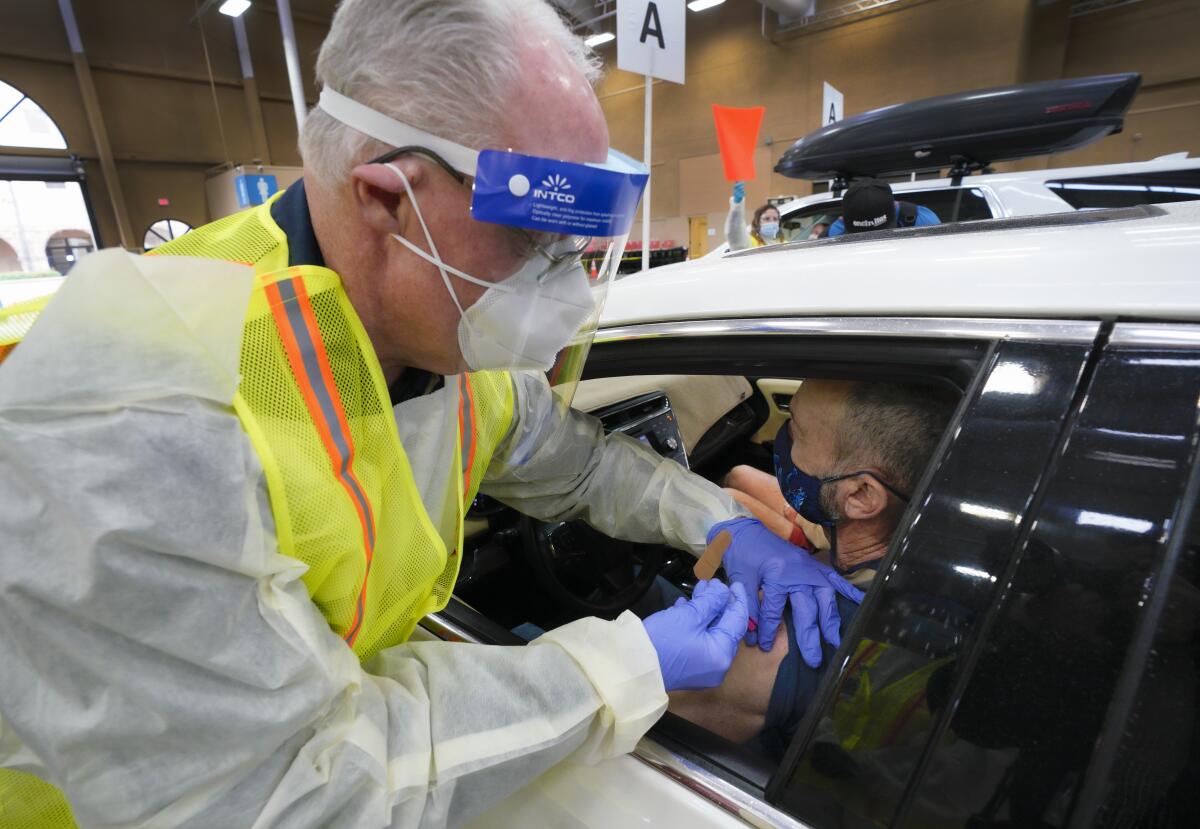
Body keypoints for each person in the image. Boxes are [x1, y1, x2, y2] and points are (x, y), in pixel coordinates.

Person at [0, 2, 858, 827]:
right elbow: (285, 791)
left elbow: (580, 463)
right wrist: (626, 665)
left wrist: (720, 521)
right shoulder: (144, 406)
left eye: (578, 251)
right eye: (535, 244)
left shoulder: (450, 335)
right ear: (385, 199)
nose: (562, 289)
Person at [671, 380, 956, 757]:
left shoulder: (774, 653)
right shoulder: (912, 549)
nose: (784, 438)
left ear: (861, 495)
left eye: (797, 431)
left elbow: (636, 716)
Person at [826, 178, 941, 237]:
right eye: (860, 237)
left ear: (895, 206)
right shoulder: (837, 232)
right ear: (844, 219)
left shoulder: (921, 220)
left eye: (882, 232)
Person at [725, 181, 783, 251]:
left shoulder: (785, 244)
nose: (772, 222)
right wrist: (737, 206)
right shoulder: (749, 243)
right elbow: (735, 235)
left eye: (775, 219)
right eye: (767, 219)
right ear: (757, 222)